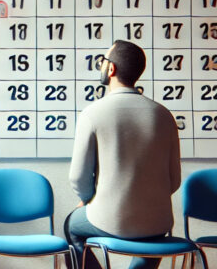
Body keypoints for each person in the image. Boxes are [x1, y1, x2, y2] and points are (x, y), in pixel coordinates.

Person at [64, 40, 182, 269]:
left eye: (103, 61)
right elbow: (174, 180)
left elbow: (77, 178)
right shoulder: (164, 115)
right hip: (159, 223)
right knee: (153, 239)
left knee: (71, 226)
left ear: (111, 69)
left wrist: (87, 200)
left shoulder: (93, 113)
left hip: (110, 220)